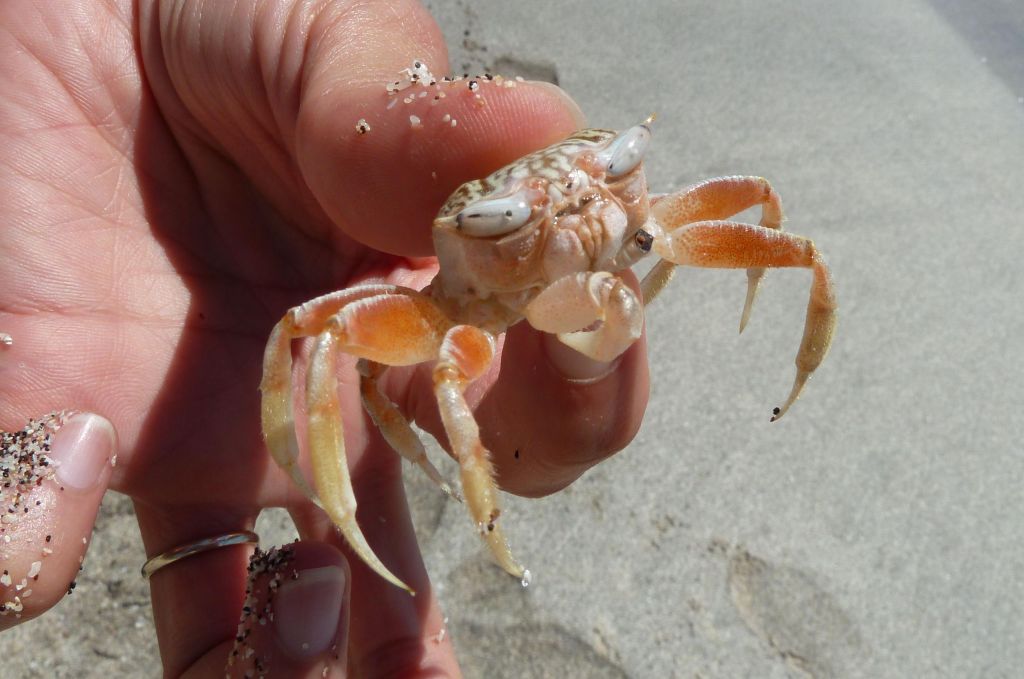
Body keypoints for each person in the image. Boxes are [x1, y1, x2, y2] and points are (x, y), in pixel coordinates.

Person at [0, 0, 649, 675]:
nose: (573, 221)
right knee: (342, 338)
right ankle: (391, 503)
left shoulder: (593, 195)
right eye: (517, 218)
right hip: (454, 308)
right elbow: (310, 330)